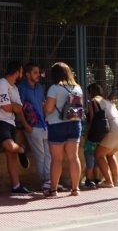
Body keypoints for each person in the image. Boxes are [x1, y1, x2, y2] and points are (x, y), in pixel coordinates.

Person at [0, 60, 32, 194]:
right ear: (17, 72)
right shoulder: (1, 84)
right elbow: (6, 108)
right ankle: (22, 150)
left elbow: (19, 108)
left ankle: (16, 186)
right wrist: (13, 106)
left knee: (11, 155)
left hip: (10, 123)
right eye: (22, 71)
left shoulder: (15, 89)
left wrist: (13, 107)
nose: (22, 74)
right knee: (10, 146)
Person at [42, 61, 84, 196]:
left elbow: (48, 108)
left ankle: (53, 190)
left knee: (56, 159)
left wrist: (44, 107)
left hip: (56, 124)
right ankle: (75, 188)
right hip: (74, 123)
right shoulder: (77, 88)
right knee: (74, 157)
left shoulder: (54, 88)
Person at [87, 83, 118, 187]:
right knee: (110, 154)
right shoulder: (107, 102)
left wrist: (88, 133)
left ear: (90, 92)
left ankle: (108, 181)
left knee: (99, 155)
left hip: (115, 128)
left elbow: (93, 119)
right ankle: (116, 181)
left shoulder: (93, 101)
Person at [16, 62, 51, 193]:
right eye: (35, 72)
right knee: (40, 155)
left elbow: (43, 105)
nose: (38, 75)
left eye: (38, 72)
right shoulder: (22, 88)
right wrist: (26, 126)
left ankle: (48, 180)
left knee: (48, 154)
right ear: (27, 74)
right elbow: (19, 109)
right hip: (32, 126)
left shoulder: (40, 88)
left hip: (44, 124)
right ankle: (45, 181)